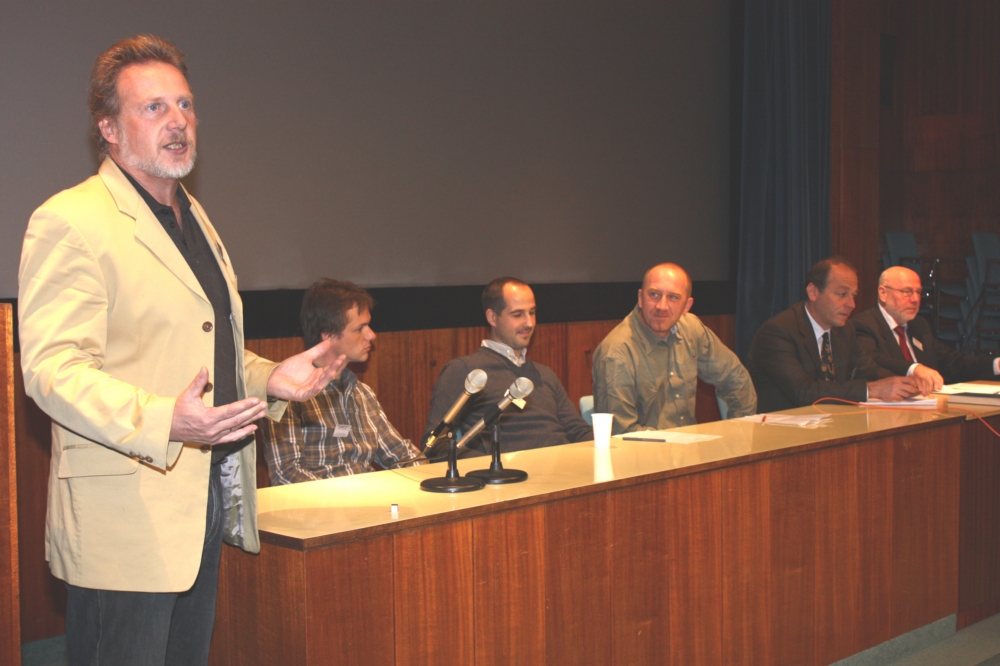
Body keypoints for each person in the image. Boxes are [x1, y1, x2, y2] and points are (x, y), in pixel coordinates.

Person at [17, 35, 346, 666]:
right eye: (154, 108)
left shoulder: (193, 216)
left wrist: (271, 377)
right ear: (108, 129)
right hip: (124, 523)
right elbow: (53, 370)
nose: (178, 122)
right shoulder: (73, 221)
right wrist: (166, 419)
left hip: (199, 507)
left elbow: (206, 356)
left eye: (186, 105)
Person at [260, 280, 423, 484]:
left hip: (370, 505)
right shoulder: (286, 394)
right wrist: (350, 503)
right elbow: (287, 474)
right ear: (328, 335)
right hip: (322, 510)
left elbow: (404, 456)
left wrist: (429, 478)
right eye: (360, 328)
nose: (372, 335)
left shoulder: (362, 393)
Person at [424, 277, 592, 453]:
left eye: (532, 312)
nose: (530, 323)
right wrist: (489, 468)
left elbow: (578, 431)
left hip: (565, 470)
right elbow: (435, 445)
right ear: (492, 317)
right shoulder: (466, 371)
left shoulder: (545, 374)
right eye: (518, 314)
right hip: (508, 475)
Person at [592, 263, 756, 434]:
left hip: (689, 451)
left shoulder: (692, 328)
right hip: (645, 456)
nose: (662, 306)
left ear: (687, 306)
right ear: (640, 299)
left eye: (673, 297)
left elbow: (737, 379)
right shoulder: (616, 354)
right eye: (654, 294)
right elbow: (622, 433)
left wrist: (739, 434)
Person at [747, 257, 920, 412]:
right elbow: (804, 391)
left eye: (853, 295)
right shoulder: (778, 332)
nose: (851, 304)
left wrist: (905, 384)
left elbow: (869, 370)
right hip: (782, 432)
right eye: (842, 294)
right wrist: (872, 389)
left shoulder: (845, 330)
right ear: (813, 292)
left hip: (830, 425)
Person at [853, 266, 1000, 394]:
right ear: (883, 293)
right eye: (907, 292)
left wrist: (995, 365)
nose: (915, 299)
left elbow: (950, 361)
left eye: (918, 292)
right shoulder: (864, 325)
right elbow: (873, 361)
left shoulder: (918, 325)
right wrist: (914, 368)